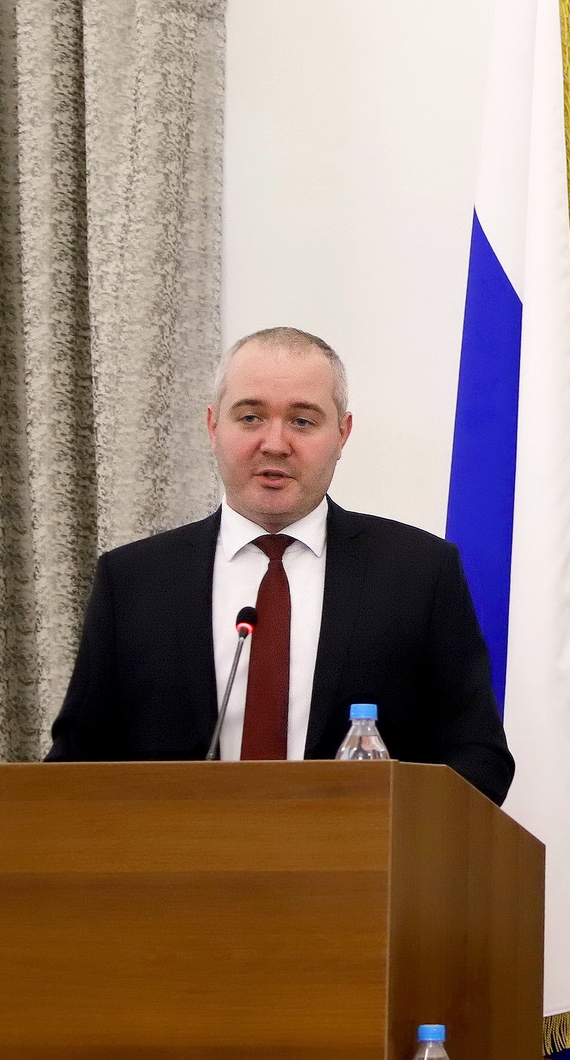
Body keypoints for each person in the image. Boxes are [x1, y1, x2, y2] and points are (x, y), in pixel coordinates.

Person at [46, 327, 515, 804]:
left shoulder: (419, 573)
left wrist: (382, 826)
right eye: (250, 417)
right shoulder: (134, 582)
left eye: (302, 421)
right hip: (176, 848)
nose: (274, 443)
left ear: (342, 434)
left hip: (358, 850)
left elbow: (478, 759)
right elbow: (74, 766)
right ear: (213, 426)